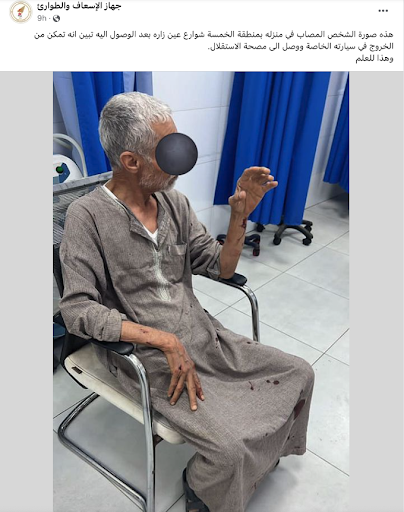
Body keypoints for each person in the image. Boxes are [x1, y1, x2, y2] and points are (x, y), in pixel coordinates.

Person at [59, 92, 315, 512]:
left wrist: (239, 217)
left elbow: (221, 268)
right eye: (168, 152)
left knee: (299, 373)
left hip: (203, 336)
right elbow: (78, 310)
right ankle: (202, 490)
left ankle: (260, 458)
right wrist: (164, 340)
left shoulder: (174, 203)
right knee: (229, 448)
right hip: (146, 357)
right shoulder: (87, 217)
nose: (180, 163)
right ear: (131, 161)